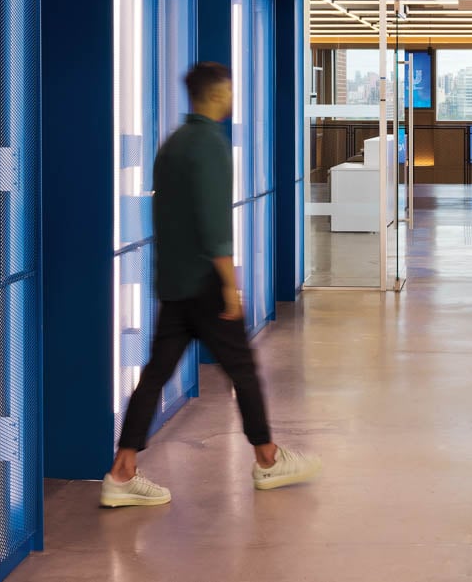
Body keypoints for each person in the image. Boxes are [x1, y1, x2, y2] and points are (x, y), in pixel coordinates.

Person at [101, 61, 321, 507]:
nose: (233, 96)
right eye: (231, 90)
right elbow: (214, 224)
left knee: (156, 375)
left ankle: (121, 472)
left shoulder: (172, 146)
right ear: (219, 94)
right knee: (242, 369)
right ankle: (268, 459)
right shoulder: (212, 146)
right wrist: (229, 285)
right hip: (205, 283)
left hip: (174, 282)